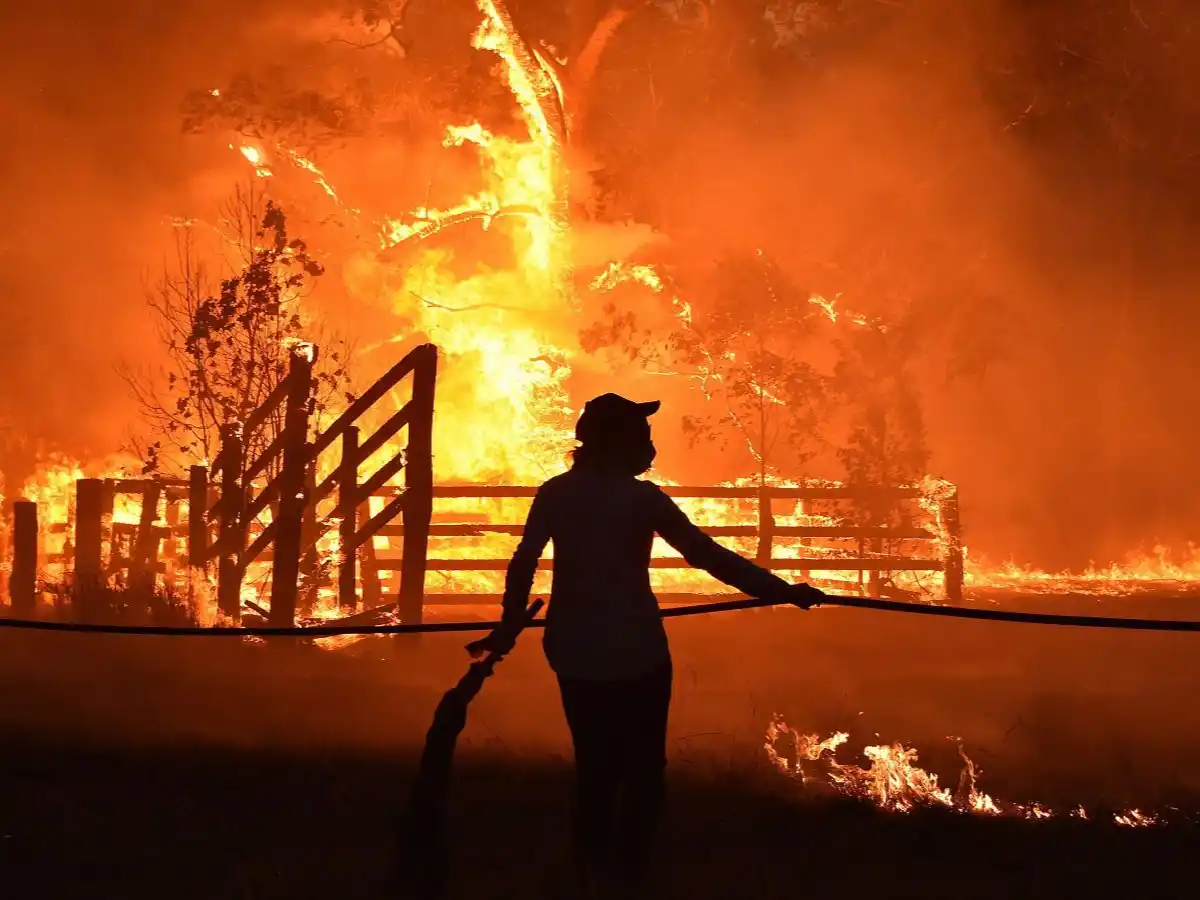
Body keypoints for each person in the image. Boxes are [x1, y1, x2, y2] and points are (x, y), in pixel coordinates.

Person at [468, 393, 823, 896]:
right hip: (637, 652)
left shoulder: (555, 495)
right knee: (643, 769)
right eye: (643, 436)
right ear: (620, 443)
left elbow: (524, 560)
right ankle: (631, 875)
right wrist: (781, 591)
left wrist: (508, 625)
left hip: (575, 650)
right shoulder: (643, 500)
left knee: (595, 764)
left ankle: (591, 871)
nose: (651, 448)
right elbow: (708, 556)